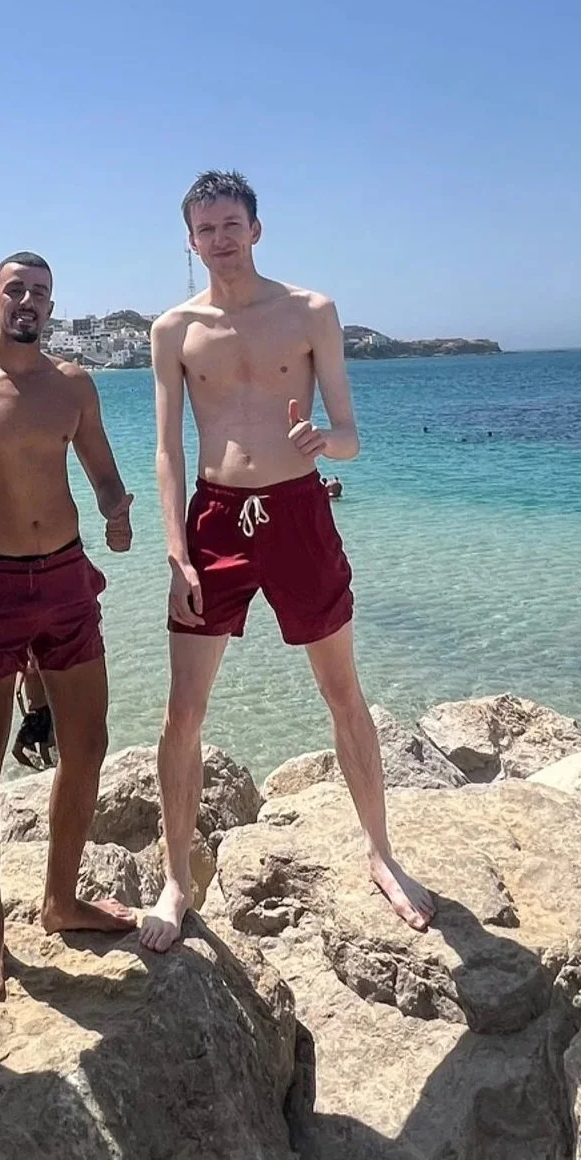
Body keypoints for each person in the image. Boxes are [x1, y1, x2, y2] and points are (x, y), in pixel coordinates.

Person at [141, 170, 434, 953]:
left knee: (343, 692)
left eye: (231, 224)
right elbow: (167, 450)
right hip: (214, 520)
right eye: (205, 229)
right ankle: (176, 879)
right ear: (191, 240)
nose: (220, 239)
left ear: (256, 229)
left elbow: (351, 436)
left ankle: (382, 854)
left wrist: (323, 442)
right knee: (183, 712)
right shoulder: (174, 329)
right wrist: (176, 550)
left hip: (299, 512)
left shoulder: (310, 312)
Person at [0, 251, 136, 996]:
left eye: (40, 292)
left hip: (67, 576)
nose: (28, 300)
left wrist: (116, 510)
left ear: (50, 306)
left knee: (89, 743)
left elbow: (102, 471)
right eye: (16, 289)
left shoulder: (73, 384)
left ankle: (61, 899)